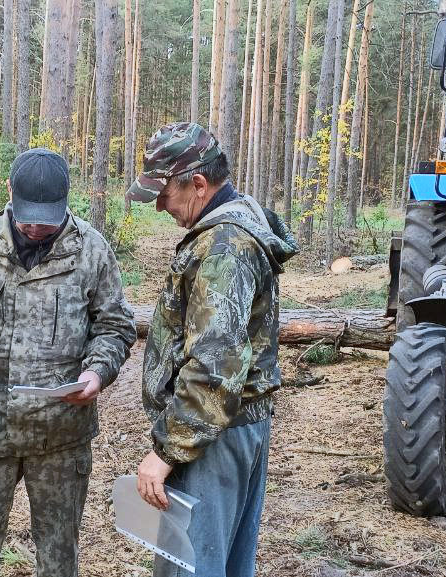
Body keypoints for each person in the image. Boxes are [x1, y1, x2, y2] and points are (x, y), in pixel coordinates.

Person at [0, 147, 136, 577]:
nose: (37, 227)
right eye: (28, 217)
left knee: (58, 554)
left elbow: (115, 326)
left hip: (61, 434)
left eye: (47, 218)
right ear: (9, 191)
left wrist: (97, 372)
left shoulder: (91, 250)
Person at [128, 122, 298, 577]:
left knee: (192, 566)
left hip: (211, 437)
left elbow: (215, 364)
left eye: (164, 194)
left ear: (199, 185)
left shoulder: (224, 247)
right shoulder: (233, 231)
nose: (160, 206)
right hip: (230, 429)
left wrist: (167, 452)